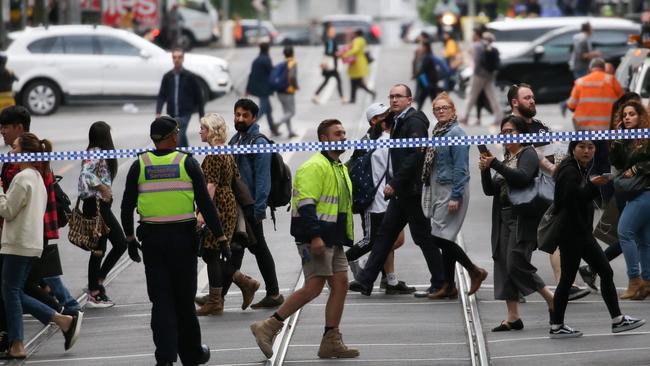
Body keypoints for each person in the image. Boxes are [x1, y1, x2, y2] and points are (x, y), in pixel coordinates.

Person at [349, 84, 487, 297]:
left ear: (409, 100)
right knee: (386, 234)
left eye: (399, 96)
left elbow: (415, 156)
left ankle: (447, 280)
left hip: (412, 190)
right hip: (403, 190)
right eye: (391, 96)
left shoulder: (414, 121)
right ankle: (367, 280)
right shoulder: (400, 121)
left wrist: (394, 182)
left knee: (426, 237)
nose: (394, 100)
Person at [250, 119, 359, 360]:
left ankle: (331, 340)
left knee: (340, 283)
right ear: (324, 138)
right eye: (337, 133)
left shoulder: (338, 167)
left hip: (334, 238)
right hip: (316, 238)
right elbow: (306, 204)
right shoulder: (314, 166)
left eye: (343, 132)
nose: (343, 137)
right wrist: (315, 237)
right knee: (313, 287)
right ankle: (268, 326)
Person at [120, 116, 218, 365]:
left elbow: (126, 206)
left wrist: (130, 239)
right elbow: (205, 204)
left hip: (153, 242)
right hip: (183, 242)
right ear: (173, 136)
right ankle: (191, 353)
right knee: (184, 301)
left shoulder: (139, 164)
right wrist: (221, 235)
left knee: (161, 301)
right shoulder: (186, 162)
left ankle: (164, 357)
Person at [550, 140, 645, 338]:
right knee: (569, 279)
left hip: (580, 233)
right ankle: (557, 325)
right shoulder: (569, 171)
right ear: (573, 149)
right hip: (572, 235)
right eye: (582, 147)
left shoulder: (579, 167)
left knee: (604, 272)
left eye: (591, 147)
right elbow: (571, 202)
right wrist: (593, 185)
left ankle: (617, 320)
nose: (587, 151)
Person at [1, 133, 82, 358]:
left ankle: (18, 343)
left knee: (10, 292)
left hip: (18, 243)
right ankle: (61, 319)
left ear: (26, 152)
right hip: (30, 243)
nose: (11, 152)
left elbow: (6, 210)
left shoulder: (22, 177)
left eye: (15, 148)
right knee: (12, 291)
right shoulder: (37, 175)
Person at [508, 83, 591, 301]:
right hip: (524, 191)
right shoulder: (511, 126)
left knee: (554, 234)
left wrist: (563, 162)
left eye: (533, 97)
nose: (532, 101)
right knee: (521, 245)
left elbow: (553, 148)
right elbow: (528, 153)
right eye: (527, 98)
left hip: (545, 189)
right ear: (515, 102)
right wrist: (553, 168)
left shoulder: (539, 125)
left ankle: (566, 284)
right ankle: (519, 286)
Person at [479, 116, 555, 331]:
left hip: (521, 217)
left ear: (522, 134)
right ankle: (513, 316)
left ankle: (551, 298)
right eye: (503, 132)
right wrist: (485, 170)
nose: (506, 136)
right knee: (503, 264)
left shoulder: (528, 153)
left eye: (510, 132)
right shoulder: (507, 157)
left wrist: (494, 164)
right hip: (502, 216)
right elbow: (490, 190)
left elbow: (522, 178)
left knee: (516, 262)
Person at [194, 113, 260, 315]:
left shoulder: (214, 154)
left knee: (211, 254)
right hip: (229, 203)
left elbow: (211, 186)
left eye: (203, 128)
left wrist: (201, 214)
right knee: (212, 252)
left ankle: (216, 301)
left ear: (212, 131)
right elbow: (236, 178)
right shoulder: (227, 151)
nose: (200, 132)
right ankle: (242, 282)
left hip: (218, 206)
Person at [346, 103, 414, 294]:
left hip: (384, 198)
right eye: (385, 115)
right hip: (374, 199)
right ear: (374, 120)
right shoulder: (379, 141)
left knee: (392, 239)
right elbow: (393, 169)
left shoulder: (379, 139)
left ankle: (388, 279)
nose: (390, 117)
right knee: (372, 240)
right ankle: (349, 262)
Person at [578, 92, 643, 292]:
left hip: (619, 186)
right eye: (629, 112)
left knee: (630, 234)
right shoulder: (622, 135)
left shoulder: (628, 132)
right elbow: (618, 165)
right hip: (621, 187)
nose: (631, 116)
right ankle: (595, 267)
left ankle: (592, 268)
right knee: (628, 234)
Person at [228, 99, 283, 309]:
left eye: (244, 115)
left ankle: (273, 293)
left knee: (255, 248)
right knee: (247, 248)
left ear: (253, 118)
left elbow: (263, 179)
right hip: (239, 205)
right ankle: (219, 295)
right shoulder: (236, 140)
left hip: (251, 206)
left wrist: (259, 209)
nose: (240, 118)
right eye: (237, 114)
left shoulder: (258, 142)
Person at [421, 92, 474, 299]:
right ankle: (449, 285)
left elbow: (461, 167)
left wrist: (456, 195)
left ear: (453, 110)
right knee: (445, 237)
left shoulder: (456, 133)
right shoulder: (439, 132)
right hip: (440, 189)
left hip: (452, 189)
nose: (441, 111)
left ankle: (474, 270)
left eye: (445, 108)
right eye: (437, 109)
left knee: (439, 237)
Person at [78, 121, 127, 308]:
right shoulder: (96, 151)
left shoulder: (94, 150)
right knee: (119, 243)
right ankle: (96, 287)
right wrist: (103, 188)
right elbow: (85, 175)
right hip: (96, 205)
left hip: (97, 205)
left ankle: (95, 285)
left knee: (100, 248)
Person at [609, 100, 650, 300]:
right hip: (636, 192)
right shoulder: (626, 138)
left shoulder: (647, 136)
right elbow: (616, 163)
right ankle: (647, 282)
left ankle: (634, 280)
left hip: (645, 191)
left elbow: (644, 163)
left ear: (640, 116)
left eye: (632, 114)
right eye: (624, 115)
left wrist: (635, 169)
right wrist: (616, 142)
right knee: (643, 239)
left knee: (624, 232)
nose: (627, 117)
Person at [567, 58, 623, 178]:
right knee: (604, 165)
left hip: (584, 132)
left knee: (585, 165)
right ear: (603, 68)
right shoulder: (611, 80)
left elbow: (571, 105)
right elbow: (623, 102)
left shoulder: (580, 82)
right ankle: (605, 194)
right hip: (605, 132)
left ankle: (586, 190)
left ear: (589, 69)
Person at [155, 48, 205, 148]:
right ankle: (188, 156)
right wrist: (158, 111)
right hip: (172, 113)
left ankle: (183, 158)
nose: (177, 59)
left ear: (183, 59)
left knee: (178, 135)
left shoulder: (190, 76)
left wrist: (201, 115)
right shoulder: (167, 76)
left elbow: (199, 96)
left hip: (185, 113)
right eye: (174, 57)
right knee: (180, 135)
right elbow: (161, 95)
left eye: (179, 57)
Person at [460, 29, 502, 126]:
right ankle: (499, 116)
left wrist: (475, 73)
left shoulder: (478, 46)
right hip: (490, 75)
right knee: (493, 96)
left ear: (478, 36)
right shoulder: (491, 47)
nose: (472, 36)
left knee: (471, 96)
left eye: (474, 34)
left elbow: (478, 61)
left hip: (479, 75)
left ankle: (465, 116)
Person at [246, 43, 279, 137]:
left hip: (258, 88)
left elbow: (251, 74)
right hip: (264, 88)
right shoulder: (266, 59)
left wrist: (248, 88)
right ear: (268, 49)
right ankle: (249, 126)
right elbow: (271, 72)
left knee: (269, 110)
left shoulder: (256, 60)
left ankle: (273, 129)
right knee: (263, 109)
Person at [312, 24, 345, 104]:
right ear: (328, 33)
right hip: (331, 66)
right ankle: (342, 98)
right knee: (338, 81)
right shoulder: (330, 41)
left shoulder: (331, 40)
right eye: (331, 31)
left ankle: (316, 95)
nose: (333, 33)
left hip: (331, 65)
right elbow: (328, 52)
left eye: (333, 31)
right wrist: (337, 54)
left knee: (327, 81)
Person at [341, 29, 376, 104]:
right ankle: (353, 98)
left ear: (356, 34)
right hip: (361, 61)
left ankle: (371, 93)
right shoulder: (363, 40)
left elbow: (355, 49)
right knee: (354, 82)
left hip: (356, 63)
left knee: (357, 82)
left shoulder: (357, 40)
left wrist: (346, 54)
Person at [275, 46, 298, 138]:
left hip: (279, 91)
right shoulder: (293, 63)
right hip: (288, 91)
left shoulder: (282, 63)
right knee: (291, 112)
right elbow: (292, 77)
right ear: (292, 53)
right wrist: (295, 86)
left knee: (286, 112)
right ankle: (276, 124)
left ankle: (290, 131)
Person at [415, 42, 439, 111]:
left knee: (433, 103)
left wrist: (417, 74)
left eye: (422, 47)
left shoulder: (427, 57)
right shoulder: (428, 56)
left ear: (426, 48)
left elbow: (422, 71)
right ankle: (416, 116)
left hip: (428, 84)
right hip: (428, 84)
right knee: (423, 102)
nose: (421, 48)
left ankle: (442, 117)